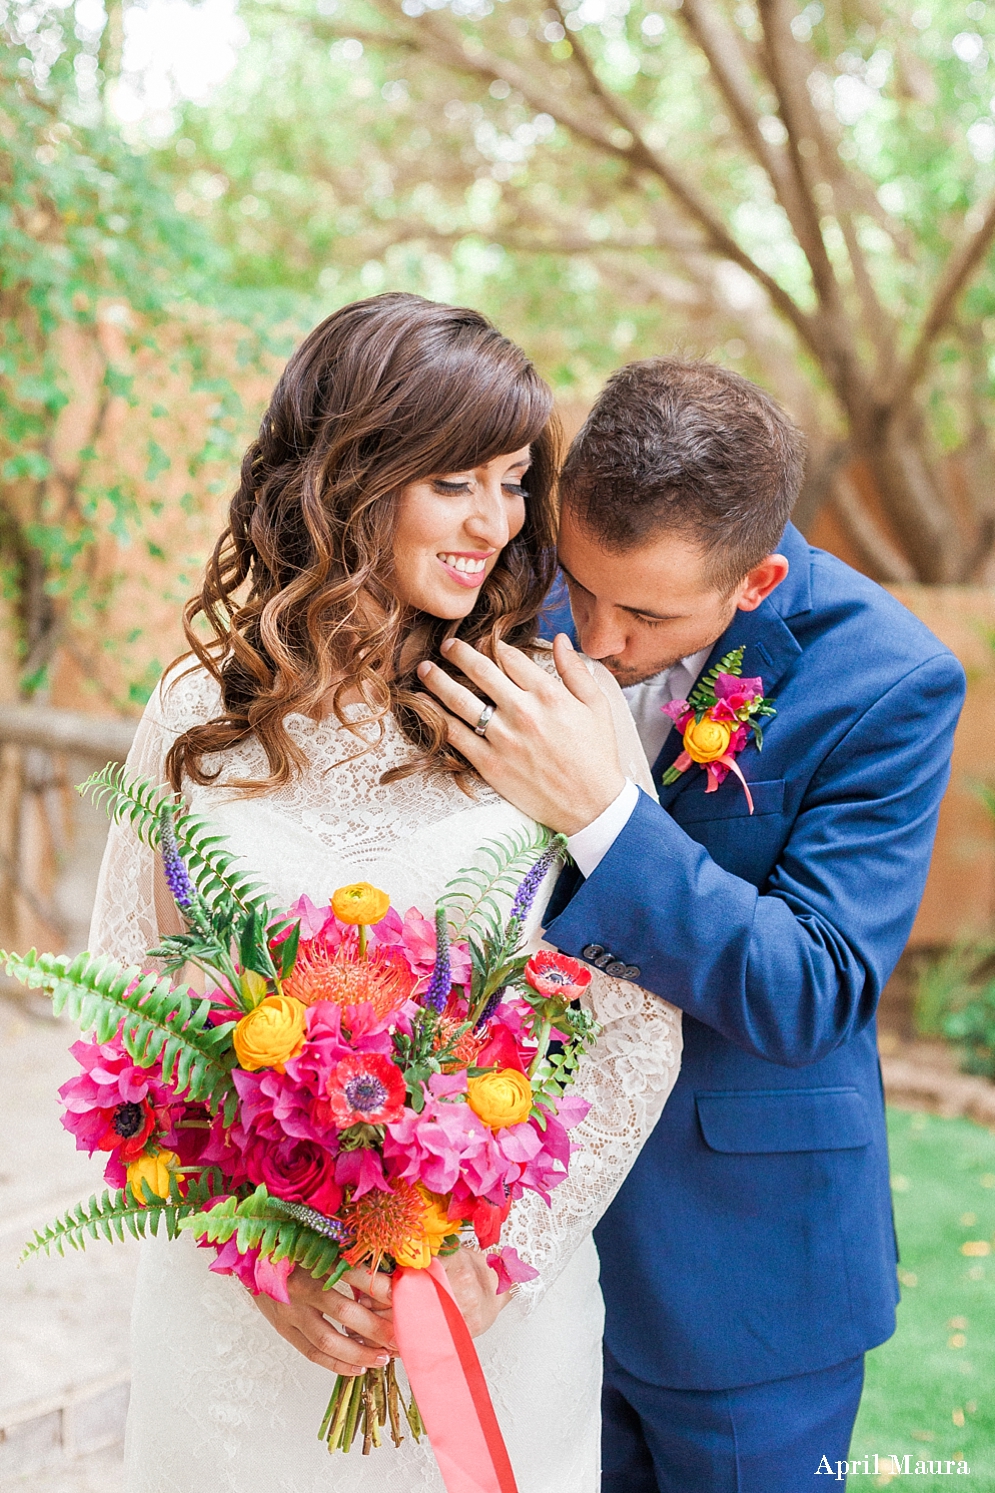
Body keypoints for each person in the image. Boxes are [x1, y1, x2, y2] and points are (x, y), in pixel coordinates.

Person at [87, 294, 682, 1493]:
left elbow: (633, 1026)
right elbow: (127, 1004)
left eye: (512, 482)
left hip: (483, 1330)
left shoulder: (556, 709)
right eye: (454, 480)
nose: (495, 521)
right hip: (234, 1340)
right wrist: (261, 1253)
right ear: (353, 476)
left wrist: (493, 1263)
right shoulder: (200, 712)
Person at [418, 357, 966, 1493]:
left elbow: (812, 984)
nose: (598, 636)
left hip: (744, 1274)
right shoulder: (520, 598)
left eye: (649, 612)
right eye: (582, 582)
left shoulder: (890, 681)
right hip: (514, 1237)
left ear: (755, 580)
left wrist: (606, 817)